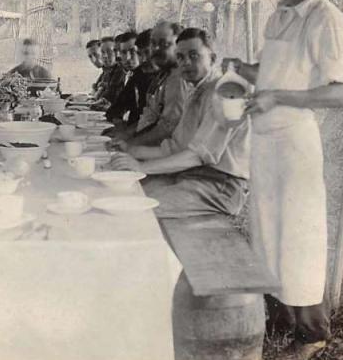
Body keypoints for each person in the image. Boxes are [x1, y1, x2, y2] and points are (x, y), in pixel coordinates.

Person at [222, 0, 343, 360]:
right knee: (267, 228)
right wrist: (247, 70)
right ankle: (280, 320)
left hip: (296, 139)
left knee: (299, 233)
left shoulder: (327, 18)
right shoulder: (279, 12)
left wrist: (278, 97)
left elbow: (340, 94)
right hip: (265, 137)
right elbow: (277, 72)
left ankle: (312, 334)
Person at [110, 28, 249, 220]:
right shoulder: (198, 90)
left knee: (134, 207)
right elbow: (175, 148)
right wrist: (131, 151)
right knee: (122, 191)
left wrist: (142, 168)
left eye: (194, 55)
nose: (186, 63)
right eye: (181, 57)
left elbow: (197, 156)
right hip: (192, 175)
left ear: (213, 58)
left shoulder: (225, 92)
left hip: (220, 187)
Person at [115, 21, 188, 146]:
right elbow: (150, 117)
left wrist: (131, 144)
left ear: (179, 45)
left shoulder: (179, 78)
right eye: (153, 44)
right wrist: (125, 134)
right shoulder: (164, 75)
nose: (156, 49)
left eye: (164, 44)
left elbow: (167, 127)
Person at [106, 30, 157, 125]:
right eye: (124, 52)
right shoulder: (137, 75)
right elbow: (114, 110)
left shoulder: (161, 78)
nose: (128, 58)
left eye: (133, 51)